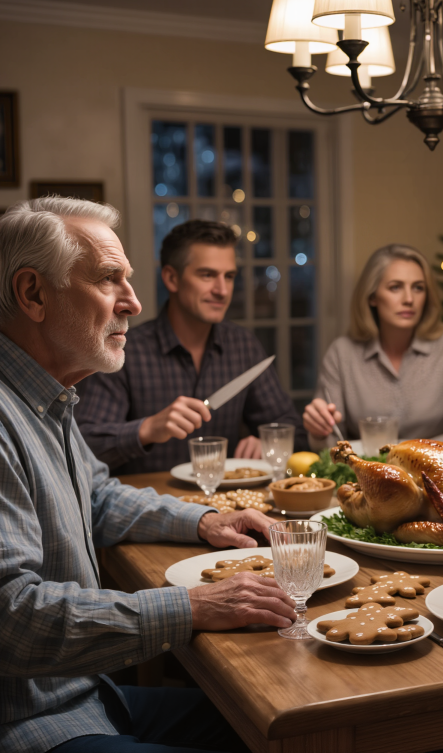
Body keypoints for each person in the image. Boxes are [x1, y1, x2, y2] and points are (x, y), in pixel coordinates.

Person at [0, 197, 297, 753]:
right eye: (108, 279)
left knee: (286, 725)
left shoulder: (49, 400)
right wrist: (194, 606)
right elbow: (13, 620)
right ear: (33, 294)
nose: (133, 302)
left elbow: (99, 496)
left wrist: (206, 520)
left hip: (86, 692)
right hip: (32, 719)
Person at [74, 219, 307, 475]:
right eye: (207, 275)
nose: (222, 290)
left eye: (229, 276)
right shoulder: (124, 350)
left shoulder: (242, 346)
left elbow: (293, 431)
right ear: (171, 278)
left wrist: (269, 442)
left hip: (222, 496)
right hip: (146, 497)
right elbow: (83, 446)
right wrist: (147, 429)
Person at [302, 244, 443, 450]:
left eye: (418, 288)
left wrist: (411, 453)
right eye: (395, 287)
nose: (409, 299)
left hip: (438, 467)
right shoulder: (342, 352)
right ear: (372, 296)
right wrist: (318, 433)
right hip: (367, 469)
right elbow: (330, 443)